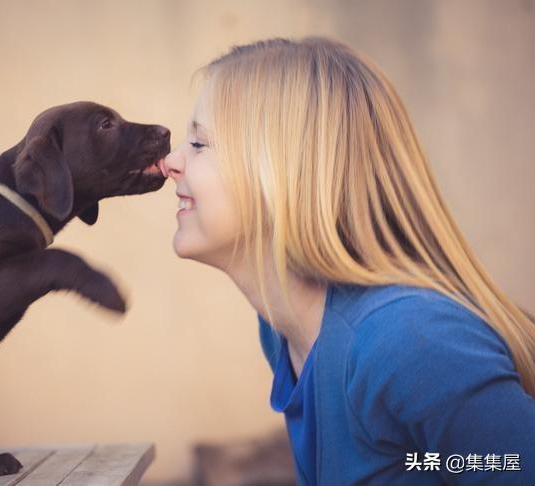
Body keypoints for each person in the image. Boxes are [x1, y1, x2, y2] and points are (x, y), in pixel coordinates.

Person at [158, 37, 535, 485]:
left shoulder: (409, 341)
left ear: (282, 174)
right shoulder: (282, 331)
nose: (170, 162)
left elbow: (510, 465)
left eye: (199, 143)